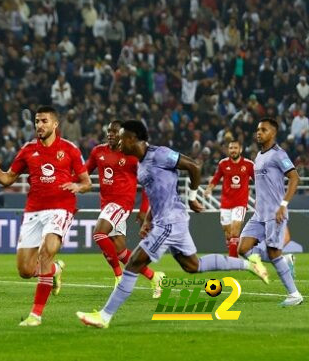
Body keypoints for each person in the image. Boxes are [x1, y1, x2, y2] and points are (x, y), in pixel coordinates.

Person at [76, 120, 269, 329]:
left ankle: (104, 316)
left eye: (122, 137)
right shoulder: (140, 164)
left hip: (169, 221)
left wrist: (193, 196)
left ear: (132, 139)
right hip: (169, 219)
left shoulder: (160, 154)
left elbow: (193, 166)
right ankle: (250, 265)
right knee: (194, 266)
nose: (118, 142)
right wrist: (148, 220)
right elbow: (157, 194)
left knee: (133, 264)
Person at [0, 106, 92, 327]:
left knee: (46, 253)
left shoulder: (70, 149)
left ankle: (36, 315)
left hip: (61, 208)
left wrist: (76, 186)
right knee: (25, 271)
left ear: (55, 124)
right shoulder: (27, 150)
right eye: (36, 121)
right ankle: (55, 270)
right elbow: (8, 180)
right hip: (34, 211)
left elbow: (87, 183)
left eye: (44, 121)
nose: (39, 125)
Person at [84, 120, 164, 297]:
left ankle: (119, 277)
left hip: (122, 204)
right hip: (106, 205)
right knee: (120, 252)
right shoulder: (98, 151)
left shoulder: (132, 156)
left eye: (115, 131)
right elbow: (84, 172)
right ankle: (154, 277)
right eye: (109, 131)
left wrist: (143, 209)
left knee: (98, 234)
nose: (111, 134)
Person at [237, 118, 303, 306]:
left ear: (273, 133)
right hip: (259, 214)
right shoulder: (259, 156)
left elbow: (294, 178)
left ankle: (294, 294)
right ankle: (286, 259)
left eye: (264, 130)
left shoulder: (278, 154)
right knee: (243, 248)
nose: (259, 132)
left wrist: (283, 204)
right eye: (258, 129)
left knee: (273, 253)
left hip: (275, 212)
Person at [203, 140, 254, 257]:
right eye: (231, 148)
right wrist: (209, 188)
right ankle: (233, 251)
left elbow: (258, 180)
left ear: (240, 149)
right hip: (226, 203)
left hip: (240, 202)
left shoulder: (248, 164)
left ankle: (233, 260)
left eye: (235, 148)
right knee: (228, 232)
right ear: (228, 150)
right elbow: (216, 178)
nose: (233, 150)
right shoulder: (223, 164)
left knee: (235, 230)